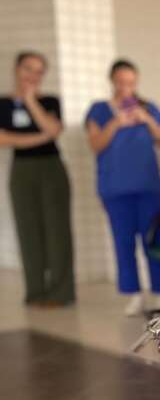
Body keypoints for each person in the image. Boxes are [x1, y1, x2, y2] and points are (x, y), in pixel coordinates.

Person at [85, 59, 160, 316]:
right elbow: (95, 144)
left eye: (130, 82)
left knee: (153, 240)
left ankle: (159, 292)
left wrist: (146, 120)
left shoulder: (149, 108)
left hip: (147, 187)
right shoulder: (99, 110)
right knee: (124, 243)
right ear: (112, 81)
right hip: (115, 189)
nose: (125, 87)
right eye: (120, 82)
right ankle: (133, 294)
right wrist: (116, 123)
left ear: (136, 82)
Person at [0, 51, 74, 306]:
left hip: (52, 168)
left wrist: (31, 101)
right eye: (28, 69)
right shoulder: (3, 104)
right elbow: (3, 139)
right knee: (27, 230)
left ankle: (61, 293)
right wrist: (43, 135)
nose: (33, 75)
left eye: (39, 71)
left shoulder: (50, 101)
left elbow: (54, 130)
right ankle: (35, 292)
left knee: (57, 232)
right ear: (17, 69)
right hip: (21, 170)